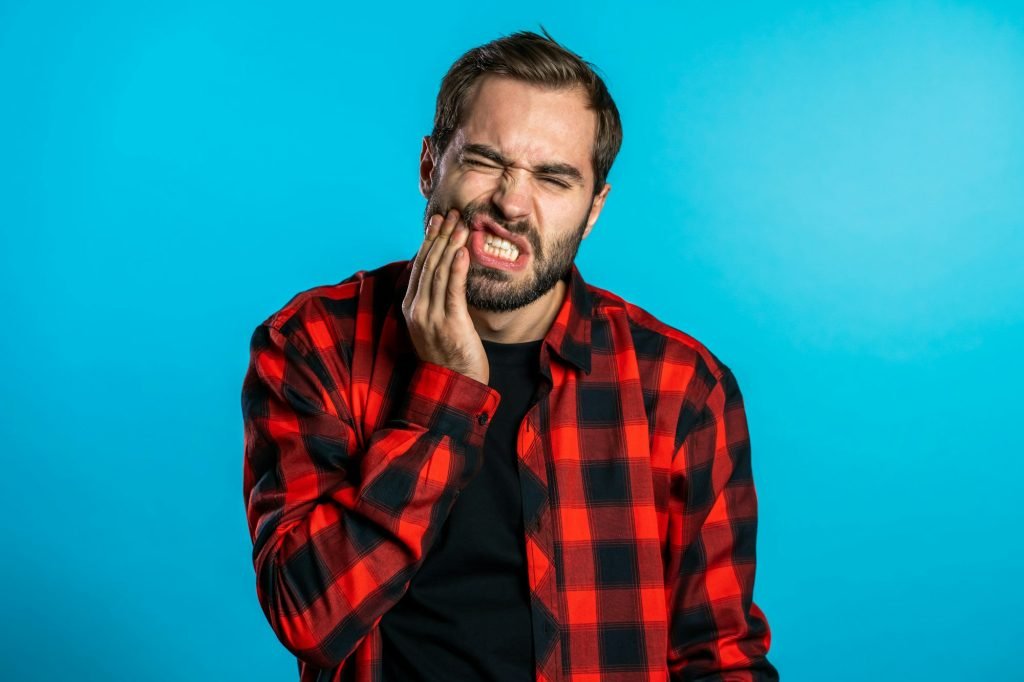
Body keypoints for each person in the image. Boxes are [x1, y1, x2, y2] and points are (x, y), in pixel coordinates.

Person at [241, 28, 779, 681]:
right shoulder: (316, 343)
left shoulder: (682, 388)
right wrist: (445, 397)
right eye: (486, 161)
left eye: (553, 178)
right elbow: (308, 618)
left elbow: (719, 657)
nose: (511, 203)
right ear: (428, 167)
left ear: (593, 211)